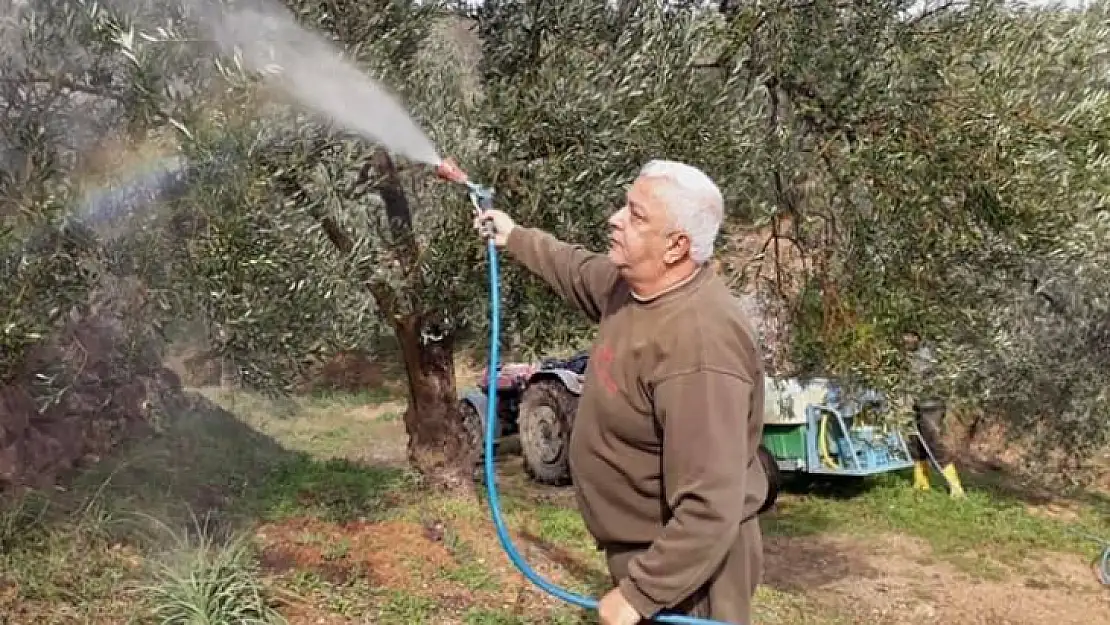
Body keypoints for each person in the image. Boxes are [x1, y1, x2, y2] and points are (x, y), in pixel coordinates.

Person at [475, 160, 768, 625]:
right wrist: (515, 236)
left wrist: (640, 594)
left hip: (694, 572)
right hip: (647, 550)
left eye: (636, 215)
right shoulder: (632, 288)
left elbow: (712, 505)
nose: (615, 219)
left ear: (676, 246)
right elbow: (574, 269)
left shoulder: (700, 346)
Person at [902, 330, 966, 498]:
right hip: (917, 405)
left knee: (933, 442)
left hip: (932, 406)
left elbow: (915, 377)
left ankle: (955, 487)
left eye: (911, 336)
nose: (907, 339)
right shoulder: (909, 354)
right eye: (905, 336)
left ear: (919, 337)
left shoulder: (926, 355)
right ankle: (921, 482)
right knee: (915, 443)